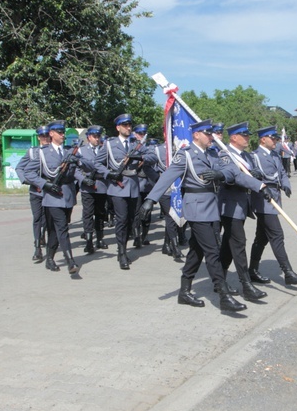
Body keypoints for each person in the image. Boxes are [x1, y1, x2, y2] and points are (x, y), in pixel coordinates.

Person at [139, 119, 246, 312]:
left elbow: (230, 170)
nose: (211, 136)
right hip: (196, 208)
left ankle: (184, 291)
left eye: (212, 133)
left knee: (196, 251)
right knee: (212, 251)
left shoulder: (213, 153)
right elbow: (167, 176)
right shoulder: (186, 155)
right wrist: (151, 199)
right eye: (207, 133)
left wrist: (221, 175)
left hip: (212, 207)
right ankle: (223, 296)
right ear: (196, 135)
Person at [95, 113, 157, 270]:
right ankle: (121, 252)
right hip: (117, 186)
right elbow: (97, 163)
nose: (128, 128)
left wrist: (139, 156)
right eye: (125, 125)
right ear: (118, 127)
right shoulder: (109, 144)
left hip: (133, 186)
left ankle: (123, 246)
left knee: (131, 220)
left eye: (129, 125)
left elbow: (152, 157)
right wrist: (109, 174)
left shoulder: (136, 144)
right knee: (121, 220)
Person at [248, 126, 297, 286]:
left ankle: (252, 270)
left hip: (274, 197)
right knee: (277, 235)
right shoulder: (254, 157)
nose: (276, 141)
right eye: (272, 138)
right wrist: (261, 187)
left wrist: (287, 185)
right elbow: (251, 176)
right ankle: (288, 272)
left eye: (276, 138)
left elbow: (282, 172)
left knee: (261, 238)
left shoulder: (274, 155)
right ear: (263, 139)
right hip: (263, 200)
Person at [218, 122, 270, 302]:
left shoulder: (245, 155)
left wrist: (256, 175)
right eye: (244, 134)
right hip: (229, 206)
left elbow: (249, 173)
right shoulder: (225, 155)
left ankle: (220, 281)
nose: (248, 137)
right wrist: (259, 185)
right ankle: (246, 285)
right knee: (239, 244)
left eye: (248, 134)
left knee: (227, 245)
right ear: (233, 137)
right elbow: (237, 177)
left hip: (242, 205)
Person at [23, 120, 82, 278]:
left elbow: (85, 167)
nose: (63, 135)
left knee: (56, 230)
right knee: (62, 227)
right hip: (52, 197)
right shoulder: (42, 153)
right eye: (59, 132)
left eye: (63, 132)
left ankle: (49, 258)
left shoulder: (69, 151)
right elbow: (28, 172)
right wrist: (45, 185)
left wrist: (79, 162)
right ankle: (70, 261)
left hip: (68, 195)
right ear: (51, 134)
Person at [15, 125, 50, 263]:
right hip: (35, 190)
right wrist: (25, 180)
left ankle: (42, 235)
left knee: (47, 219)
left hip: (49, 191)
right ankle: (37, 248)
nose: (45, 138)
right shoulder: (32, 152)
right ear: (38, 138)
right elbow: (20, 167)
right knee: (37, 218)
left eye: (47, 136)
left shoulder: (55, 151)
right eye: (43, 136)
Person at [75, 125, 109, 254]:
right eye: (95, 136)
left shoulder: (104, 149)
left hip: (101, 185)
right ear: (89, 137)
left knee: (100, 213)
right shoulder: (81, 151)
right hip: (87, 187)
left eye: (98, 136)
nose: (97, 139)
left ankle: (100, 239)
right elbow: (76, 169)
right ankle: (89, 241)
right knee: (88, 214)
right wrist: (83, 180)